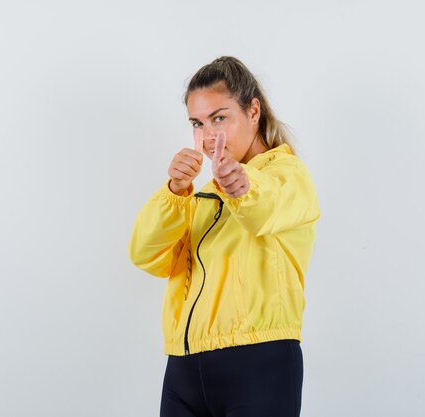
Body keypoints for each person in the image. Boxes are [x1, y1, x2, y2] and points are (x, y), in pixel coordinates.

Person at [128, 56, 321, 417]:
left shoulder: (288, 175)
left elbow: (263, 207)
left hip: (258, 362)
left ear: (253, 111)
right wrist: (175, 189)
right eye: (198, 123)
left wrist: (241, 187)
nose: (208, 136)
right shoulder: (202, 197)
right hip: (184, 368)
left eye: (220, 118)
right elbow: (146, 255)